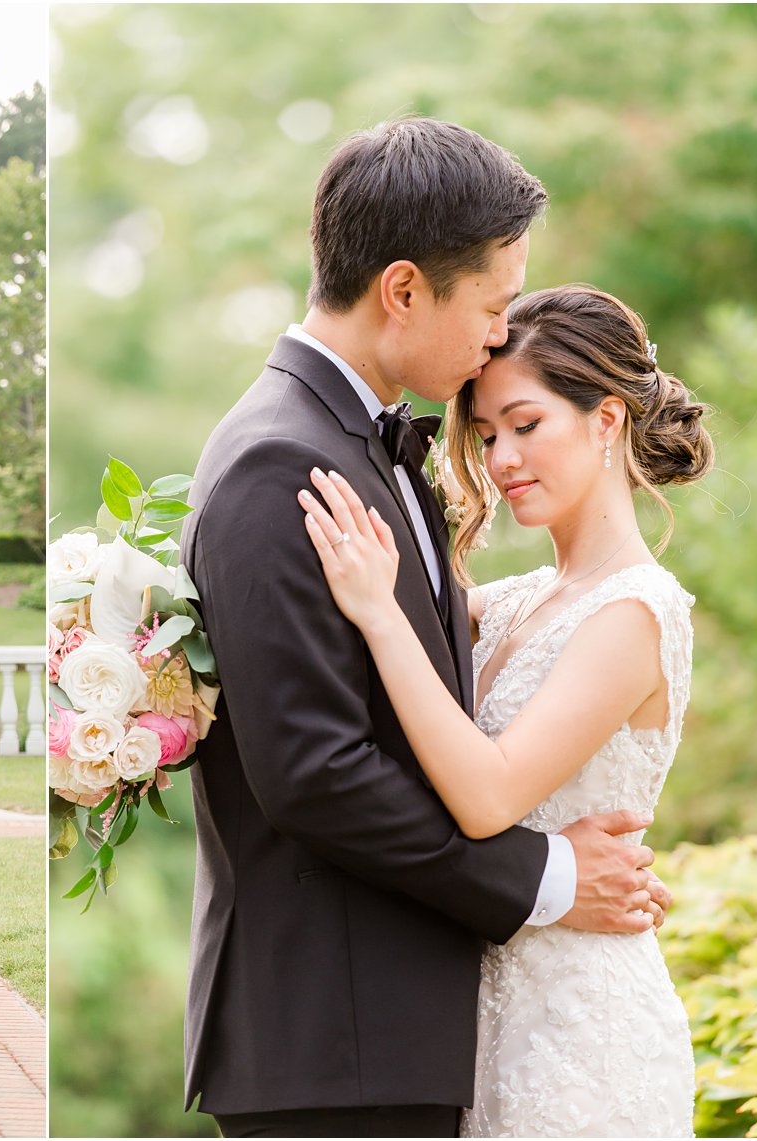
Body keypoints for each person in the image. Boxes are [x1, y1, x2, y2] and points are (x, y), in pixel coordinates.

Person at [180, 118, 674, 1138]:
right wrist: (545, 877)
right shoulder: (283, 461)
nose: (497, 335)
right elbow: (315, 771)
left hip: (422, 1029)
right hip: (333, 1039)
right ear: (402, 289)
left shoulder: (365, 445)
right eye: (491, 307)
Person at [299, 284, 710, 1135]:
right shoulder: (518, 600)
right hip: (476, 1011)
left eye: (527, 424)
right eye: (485, 434)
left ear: (605, 421)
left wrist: (380, 612)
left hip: (581, 1035)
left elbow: (489, 794)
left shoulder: (636, 611)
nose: (502, 458)